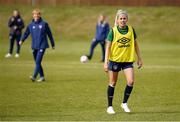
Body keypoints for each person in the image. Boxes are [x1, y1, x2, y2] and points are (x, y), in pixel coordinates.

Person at [104, 10, 143, 114]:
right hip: (115, 61)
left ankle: (124, 103)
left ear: (127, 19)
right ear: (117, 20)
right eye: (120, 18)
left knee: (131, 81)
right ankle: (110, 106)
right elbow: (107, 47)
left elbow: (136, 45)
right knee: (113, 83)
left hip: (127, 61)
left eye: (124, 18)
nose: (122, 20)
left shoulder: (131, 30)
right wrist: (105, 62)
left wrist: (139, 58)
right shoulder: (113, 31)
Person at [19, 9, 55, 82]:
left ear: (40, 15)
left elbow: (49, 34)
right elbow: (26, 33)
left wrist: (52, 44)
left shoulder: (44, 24)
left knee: (38, 61)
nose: (36, 15)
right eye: (35, 14)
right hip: (34, 46)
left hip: (42, 45)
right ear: (33, 15)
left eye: (38, 14)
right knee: (37, 62)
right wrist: (22, 40)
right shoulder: (30, 25)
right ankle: (42, 77)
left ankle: (34, 76)